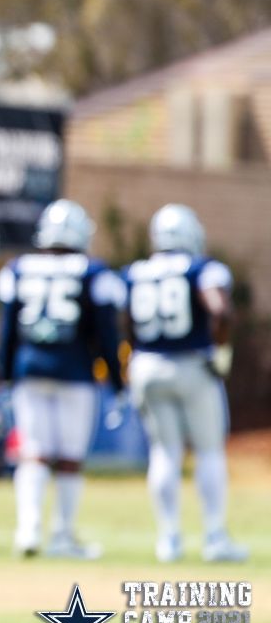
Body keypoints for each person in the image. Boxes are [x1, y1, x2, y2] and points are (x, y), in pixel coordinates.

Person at [0, 198, 123, 559]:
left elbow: (7, 332)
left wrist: (5, 375)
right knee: (69, 457)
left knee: (33, 453)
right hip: (74, 372)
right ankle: (62, 535)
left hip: (29, 369)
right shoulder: (94, 272)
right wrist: (116, 380)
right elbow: (106, 334)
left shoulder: (18, 269)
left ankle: (28, 530)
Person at [123, 204, 246, 563]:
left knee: (164, 452)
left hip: (147, 366)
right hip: (191, 364)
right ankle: (214, 537)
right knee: (209, 450)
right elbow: (220, 310)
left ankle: (169, 539)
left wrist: (135, 354)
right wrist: (220, 353)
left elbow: (125, 320)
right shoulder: (202, 269)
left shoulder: (136, 272)